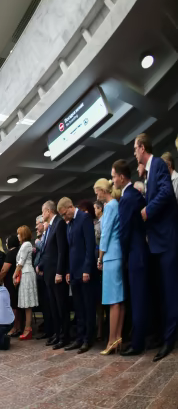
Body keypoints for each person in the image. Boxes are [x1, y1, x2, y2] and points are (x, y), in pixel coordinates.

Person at [134, 133, 178, 361]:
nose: (134, 153)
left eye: (135, 149)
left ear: (142, 148)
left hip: (167, 240)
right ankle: (163, 336)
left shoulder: (158, 163)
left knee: (170, 292)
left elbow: (166, 193)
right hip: (158, 243)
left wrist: (147, 211)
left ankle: (169, 340)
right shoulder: (150, 171)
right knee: (161, 293)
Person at [113, 159, 150, 356]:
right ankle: (142, 338)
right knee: (142, 298)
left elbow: (124, 232)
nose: (112, 180)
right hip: (142, 251)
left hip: (135, 255)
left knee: (137, 300)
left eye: (113, 177)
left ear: (121, 177)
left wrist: (123, 256)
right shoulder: (135, 194)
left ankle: (137, 344)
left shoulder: (127, 198)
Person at [58, 197, 96, 354]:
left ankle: (88, 339)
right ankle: (79, 338)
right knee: (78, 307)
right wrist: (68, 270)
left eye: (64, 213)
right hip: (73, 272)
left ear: (70, 207)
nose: (64, 217)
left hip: (84, 271)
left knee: (88, 306)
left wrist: (87, 269)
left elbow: (90, 246)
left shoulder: (84, 218)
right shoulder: (70, 223)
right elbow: (70, 250)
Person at [94, 178, 124, 355]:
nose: (96, 194)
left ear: (103, 190)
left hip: (111, 256)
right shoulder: (113, 205)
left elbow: (105, 234)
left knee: (113, 300)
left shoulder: (111, 206)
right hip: (115, 254)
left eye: (97, 191)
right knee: (118, 299)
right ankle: (117, 337)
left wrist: (100, 257)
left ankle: (112, 340)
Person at [40, 200, 70, 350]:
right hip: (48, 273)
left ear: (48, 211)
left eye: (42, 212)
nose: (42, 215)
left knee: (61, 306)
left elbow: (61, 251)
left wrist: (59, 272)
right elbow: (47, 250)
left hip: (56, 274)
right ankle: (57, 334)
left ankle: (64, 336)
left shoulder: (59, 224)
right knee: (53, 306)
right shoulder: (51, 226)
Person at [14, 225, 38, 340]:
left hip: (27, 273)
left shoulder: (26, 244)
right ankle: (27, 328)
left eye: (19, 233)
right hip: (25, 273)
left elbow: (21, 262)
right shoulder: (25, 245)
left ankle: (28, 328)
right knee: (26, 303)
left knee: (27, 303)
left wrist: (14, 275)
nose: (17, 236)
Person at [2, 235, 20, 337]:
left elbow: (5, 269)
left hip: (10, 281)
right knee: (17, 305)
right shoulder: (18, 251)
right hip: (18, 281)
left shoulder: (11, 253)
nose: (6, 244)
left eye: (7, 242)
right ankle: (18, 327)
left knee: (13, 305)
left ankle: (14, 328)